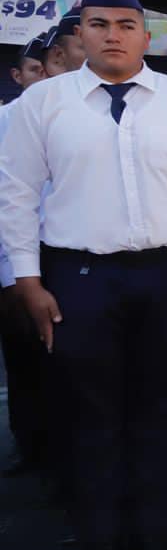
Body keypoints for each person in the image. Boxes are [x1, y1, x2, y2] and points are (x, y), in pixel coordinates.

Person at [0, 0, 167, 550]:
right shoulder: (41, 104)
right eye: (99, 25)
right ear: (81, 34)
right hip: (80, 276)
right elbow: (15, 194)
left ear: (145, 37)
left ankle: (154, 533)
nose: (113, 36)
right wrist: (27, 279)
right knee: (90, 413)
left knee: (158, 411)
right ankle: (99, 542)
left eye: (126, 25)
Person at [0, 33, 57, 478]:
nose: (43, 78)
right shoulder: (8, 118)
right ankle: (31, 444)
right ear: (20, 76)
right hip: (20, 265)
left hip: (70, 260)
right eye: (34, 70)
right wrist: (11, 276)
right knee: (25, 365)